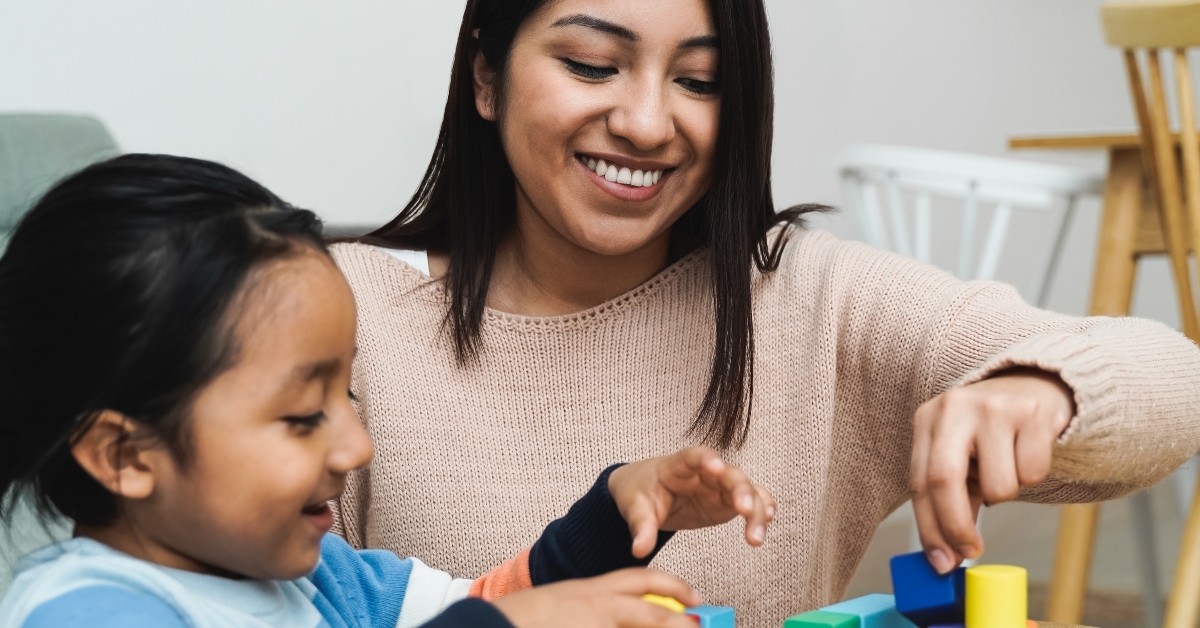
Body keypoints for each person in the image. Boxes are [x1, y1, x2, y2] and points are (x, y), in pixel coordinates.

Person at [330, 0, 1200, 626]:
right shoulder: (346, 314)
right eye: (591, 64)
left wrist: (1039, 385)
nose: (644, 121)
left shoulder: (808, 299)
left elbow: (1177, 380)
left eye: (700, 81)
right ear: (486, 76)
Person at [0, 154, 779, 628]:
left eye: (351, 399)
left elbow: (492, 598)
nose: (355, 447)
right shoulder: (85, 610)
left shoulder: (320, 578)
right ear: (124, 454)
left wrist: (614, 514)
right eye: (304, 416)